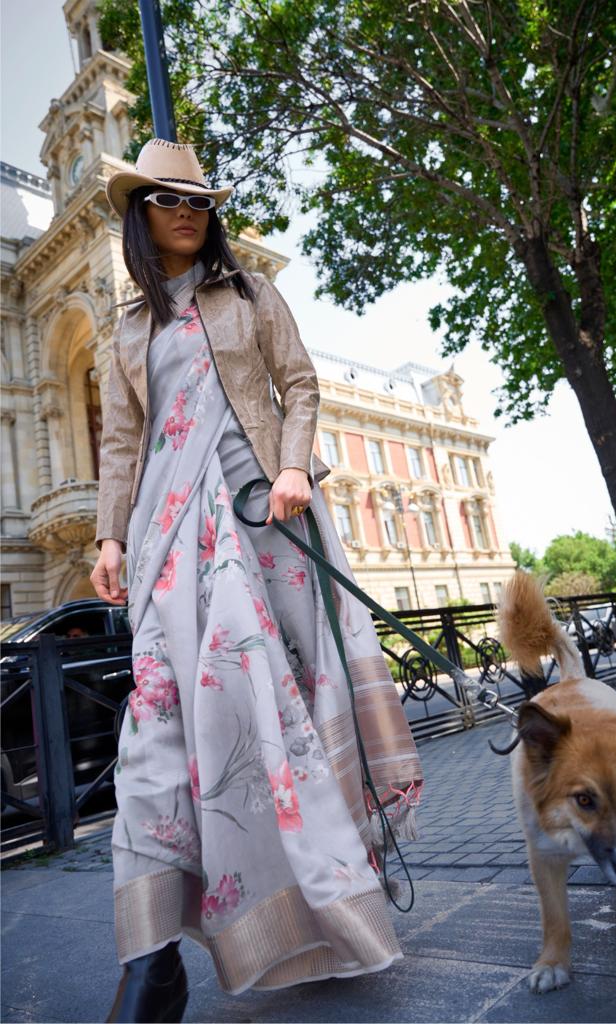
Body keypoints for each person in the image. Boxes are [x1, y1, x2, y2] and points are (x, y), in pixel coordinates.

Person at [90, 138, 423, 1023]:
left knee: (294, 704)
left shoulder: (248, 293)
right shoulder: (124, 330)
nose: (188, 213)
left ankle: (329, 900)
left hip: (261, 513)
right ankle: (152, 957)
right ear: (140, 214)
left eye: (198, 201)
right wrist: (108, 537)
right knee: (158, 727)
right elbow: (121, 443)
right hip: (169, 536)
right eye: (167, 200)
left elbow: (299, 383)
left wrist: (293, 468)